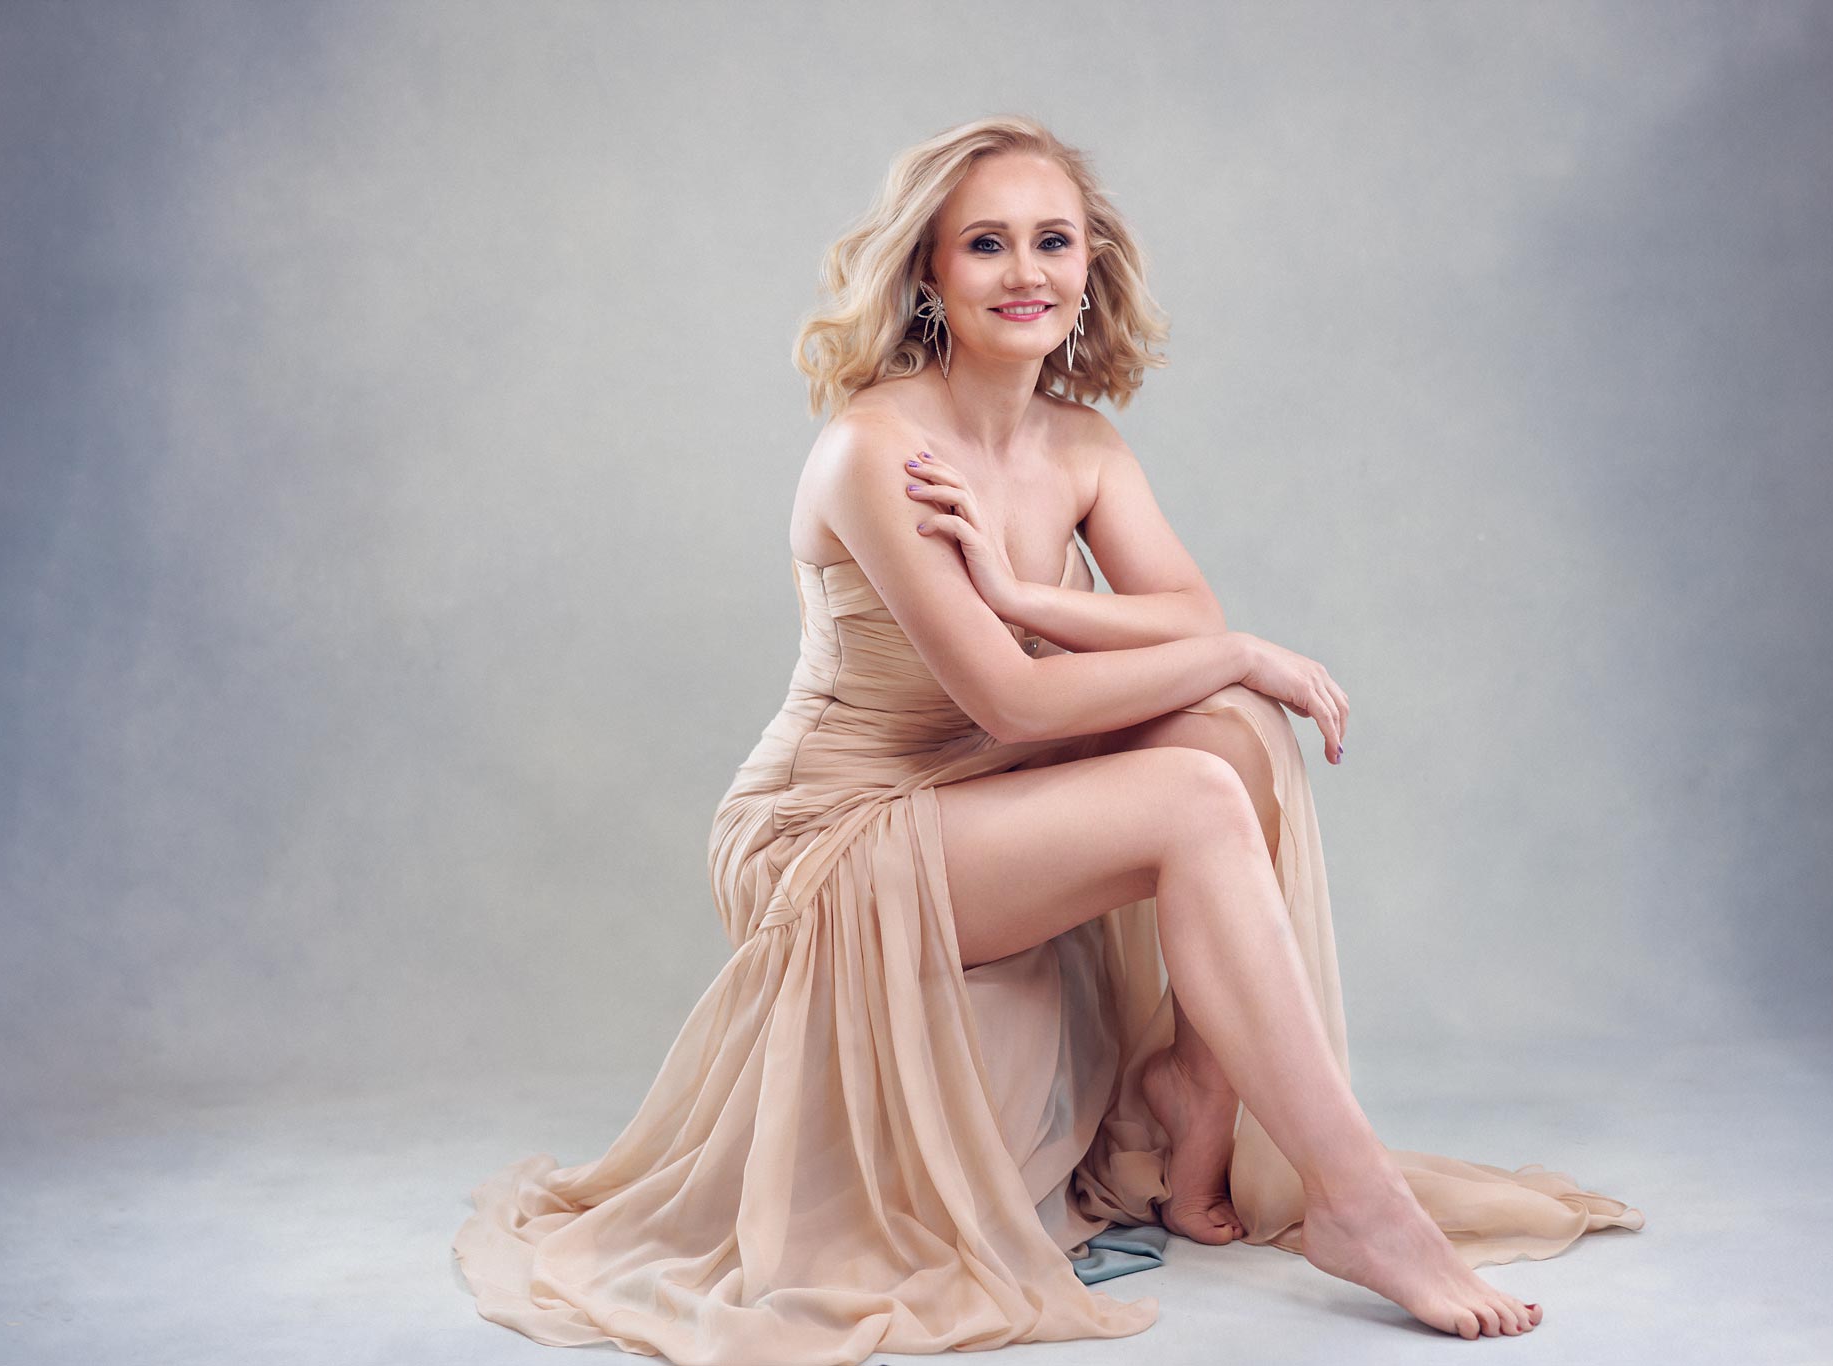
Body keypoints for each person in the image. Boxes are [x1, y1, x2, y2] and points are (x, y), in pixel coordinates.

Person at [451, 114, 1644, 1364]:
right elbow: (1015, 706)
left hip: (983, 794)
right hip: (830, 835)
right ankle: (1361, 1204)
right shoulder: (875, 449)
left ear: (1089, 267)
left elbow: (1183, 618)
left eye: (1052, 241)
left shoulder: (1080, 443)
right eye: (985, 244)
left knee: (1233, 734)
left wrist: (1023, 594)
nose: (1024, 271)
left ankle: (1195, 1102)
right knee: (1200, 774)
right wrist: (1229, 649)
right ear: (927, 271)